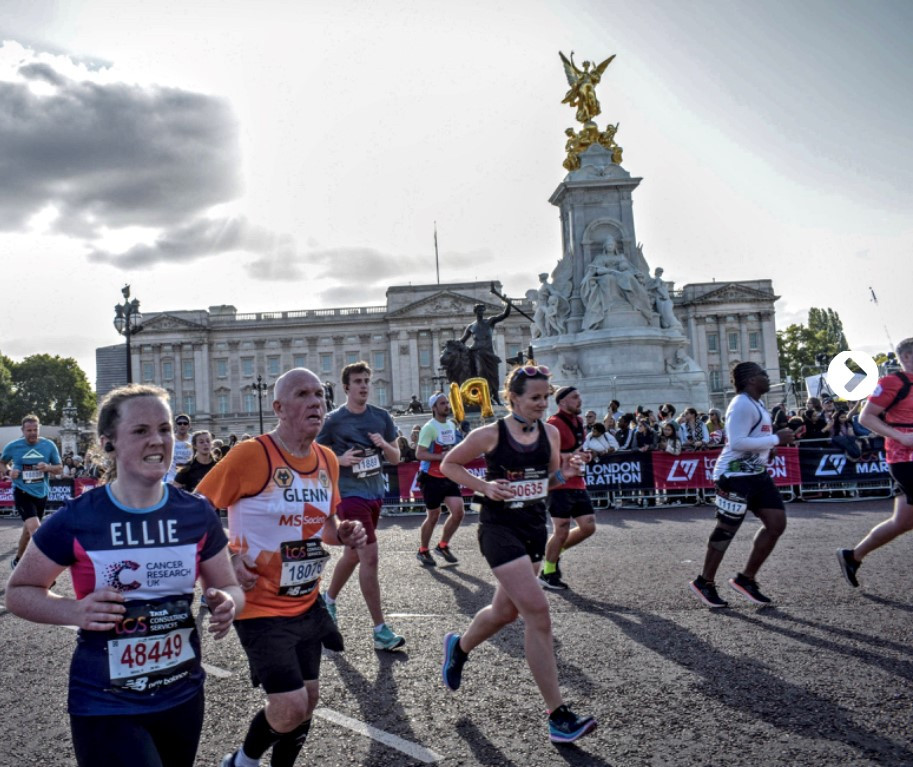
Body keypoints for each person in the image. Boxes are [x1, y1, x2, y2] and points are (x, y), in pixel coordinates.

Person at [6, 385, 242, 767]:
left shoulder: (197, 513)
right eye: (141, 430)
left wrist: (230, 602)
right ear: (109, 443)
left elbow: (227, 585)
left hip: (182, 695)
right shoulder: (80, 516)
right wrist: (75, 611)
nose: (158, 440)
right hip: (104, 701)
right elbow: (18, 592)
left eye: (164, 429)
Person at [196, 368, 367, 767]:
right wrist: (230, 560)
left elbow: (325, 526)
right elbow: (194, 510)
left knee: (307, 701)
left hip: (306, 603)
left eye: (319, 394)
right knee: (289, 705)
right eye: (303, 394)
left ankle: (253, 763)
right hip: (259, 608)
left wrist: (345, 532)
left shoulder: (326, 459)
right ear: (278, 407)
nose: (316, 402)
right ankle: (241, 761)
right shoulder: (252, 454)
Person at [439, 364, 597, 744]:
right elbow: (449, 464)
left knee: (504, 612)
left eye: (546, 397)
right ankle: (558, 717)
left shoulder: (551, 434)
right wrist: (484, 487)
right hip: (498, 530)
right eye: (535, 398)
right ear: (513, 398)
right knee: (537, 612)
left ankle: (458, 648)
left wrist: (570, 470)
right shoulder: (490, 433)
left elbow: (551, 479)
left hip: (532, 528)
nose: (542, 405)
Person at [689, 362, 795, 608]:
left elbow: (753, 439)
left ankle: (746, 579)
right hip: (733, 475)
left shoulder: (757, 404)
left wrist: (769, 449)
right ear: (750, 380)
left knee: (776, 524)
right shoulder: (741, 404)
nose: (768, 377)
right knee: (726, 529)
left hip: (756, 473)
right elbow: (736, 442)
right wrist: (775, 438)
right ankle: (704, 581)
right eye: (763, 374)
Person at [316, 361, 405, 651]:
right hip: (349, 494)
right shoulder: (333, 420)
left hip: (374, 493)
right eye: (358, 381)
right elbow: (313, 454)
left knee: (354, 554)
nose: (364, 385)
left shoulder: (381, 417)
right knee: (370, 556)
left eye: (367, 380)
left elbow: (395, 458)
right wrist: (338, 461)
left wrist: (383, 443)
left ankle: (328, 600)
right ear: (346, 387)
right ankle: (380, 630)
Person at [837, 338, 913, 588]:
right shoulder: (892, 382)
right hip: (904, 457)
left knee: (902, 521)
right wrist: (900, 436)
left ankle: (852, 556)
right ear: (907, 358)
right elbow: (866, 417)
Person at [539, 386, 596, 590]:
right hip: (559, 482)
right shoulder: (553, 424)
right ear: (562, 402)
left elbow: (575, 449)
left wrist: (584, 454)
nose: (579, 400)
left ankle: (553, 554)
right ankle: (549, 571)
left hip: (577, 481)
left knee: (588, 526)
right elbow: (546, 455)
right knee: (561, 528)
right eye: (574, 397)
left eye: (579, 396)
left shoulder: (579, 422)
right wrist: (570, 458)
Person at [2, 414, 62, 569]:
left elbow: (59, 468)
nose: (32, 433)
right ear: (22, 430)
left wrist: (48, 468)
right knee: (36, 529)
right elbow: (2, 463)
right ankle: (41, 568)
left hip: (41, 493)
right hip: (22, 492)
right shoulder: (13, 446)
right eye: (29, 430)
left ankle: (17, 561)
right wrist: (8, 472)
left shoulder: (49, 446)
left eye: (35, 429)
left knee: (28, 533)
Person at [414, 392, 466, 566]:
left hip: (448, 475)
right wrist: (442, 456)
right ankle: (423, 550)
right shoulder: (429, 428)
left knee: (458, 512)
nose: (447, 406)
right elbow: (419, 454)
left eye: (447, 403)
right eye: (442, 403)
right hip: (431, 477)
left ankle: (442, 545)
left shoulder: (451, 424)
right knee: (434, 516)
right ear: (434, 407)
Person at [460, 302, 512, 404]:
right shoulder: (471, 327)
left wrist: (508, 304)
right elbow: (462, 340)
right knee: (481, 374)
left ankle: (495, 395)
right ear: (475, 312)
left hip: (489, 353)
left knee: (495, 376)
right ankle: (486, 396)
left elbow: (504, 315)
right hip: (477, 353)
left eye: (482, 310)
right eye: (478, 310)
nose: (480, 312)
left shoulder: (489, 322)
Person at [165, 413, 193, 483]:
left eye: (185, 423)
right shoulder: (169, 439)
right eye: (179, 423)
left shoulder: (193, 440)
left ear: (189, 426)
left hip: (188, 479)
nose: (182, 425)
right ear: (175, 426)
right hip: (171, 479)